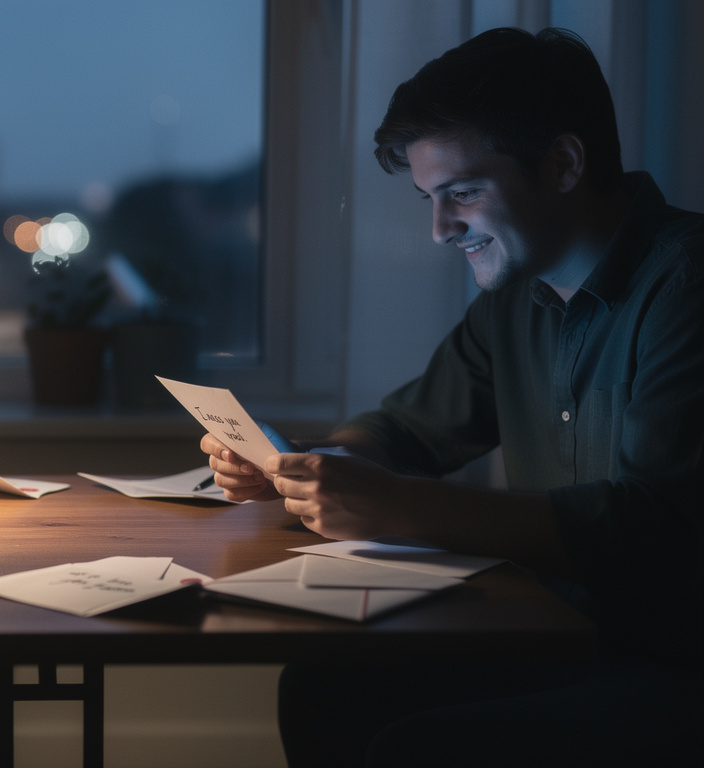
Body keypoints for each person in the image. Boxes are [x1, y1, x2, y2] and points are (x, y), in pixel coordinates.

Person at [201, 27, 702, 767]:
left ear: (564, 163)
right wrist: (304, 467)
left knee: (420, 748)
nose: (440, 230)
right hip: (558, 632)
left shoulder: (686, 285)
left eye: (463, 193)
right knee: (322, 686)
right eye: (430, 199)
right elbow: (406, 429)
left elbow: (656, 528)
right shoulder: (514, 301)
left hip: (671, 661)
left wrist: (403, 508)